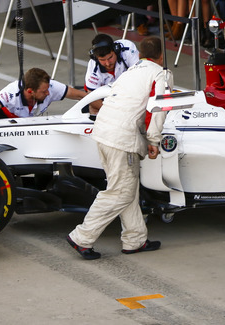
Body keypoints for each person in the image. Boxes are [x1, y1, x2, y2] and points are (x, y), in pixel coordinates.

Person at [66, 36, 172, 259]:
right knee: (120, 192)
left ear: (141, 54)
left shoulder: (130, 71)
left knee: (127, 190)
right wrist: (153, 141)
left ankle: (135, 240)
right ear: (162, 56)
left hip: (103, 133)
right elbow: (159, 109)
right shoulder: (160, 74)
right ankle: (81, 237)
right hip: (122, 139)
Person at [0, 68, 85, 125]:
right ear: (30, 91)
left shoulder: (51, 87)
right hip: (1, 119)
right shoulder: (11, 93)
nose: (48, 93)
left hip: (25, 122)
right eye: (44, 92)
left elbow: (82, 96)